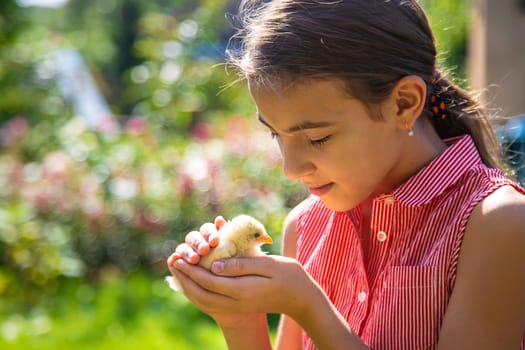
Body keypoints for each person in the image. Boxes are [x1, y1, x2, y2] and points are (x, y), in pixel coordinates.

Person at [167, 0, 525, 349]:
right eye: (276, 134)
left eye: (317, 138)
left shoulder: (496, 223)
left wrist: (310, 306)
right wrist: (238, 318)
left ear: (404, 103)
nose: (291, 169)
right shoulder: (306, 226)